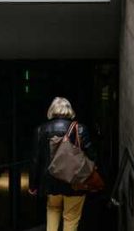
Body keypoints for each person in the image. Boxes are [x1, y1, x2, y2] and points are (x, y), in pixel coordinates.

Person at [30, 97, 95, 231]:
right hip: (75, 182)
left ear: (51, 110)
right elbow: (92, 156)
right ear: (69, 110)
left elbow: (35, 160)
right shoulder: (80, 129)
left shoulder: (41, 130)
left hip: (51, 182)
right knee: (71, 218)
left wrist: (33, 185)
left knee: (53, 210)